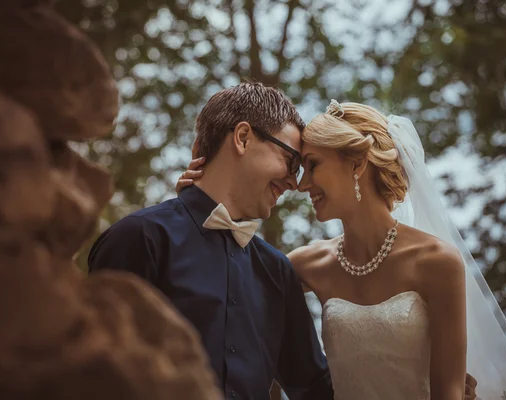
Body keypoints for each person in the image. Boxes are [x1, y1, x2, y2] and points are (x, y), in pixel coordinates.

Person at [176, 98, 506, 399]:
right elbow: (246, 323)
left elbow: (448, 392)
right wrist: (199, 203)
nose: (300, 185)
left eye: (312, 165)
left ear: (356, 164)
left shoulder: (438, 263)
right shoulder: (302, 265)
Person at [88, 83, 333, 400]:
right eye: (292, 162)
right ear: (243, 138)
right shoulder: (139, 238)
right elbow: (99, 376)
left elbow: (315, 388)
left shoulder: (277, 270)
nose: (293, 182)